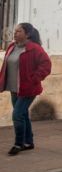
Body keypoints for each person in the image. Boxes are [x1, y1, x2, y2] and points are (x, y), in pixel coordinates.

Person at [0, 23, 52, 156]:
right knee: (22, 115)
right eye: (15, 31)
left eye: (19, 31)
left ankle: (18, 144)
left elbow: (46, 65)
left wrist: (34, 79)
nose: (15, 33)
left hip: (28, 89)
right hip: (14, 88)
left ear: (27, 34)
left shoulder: (34, 49)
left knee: (17, 115)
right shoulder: (12, 47)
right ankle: (28, 142)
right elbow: (7, 66)